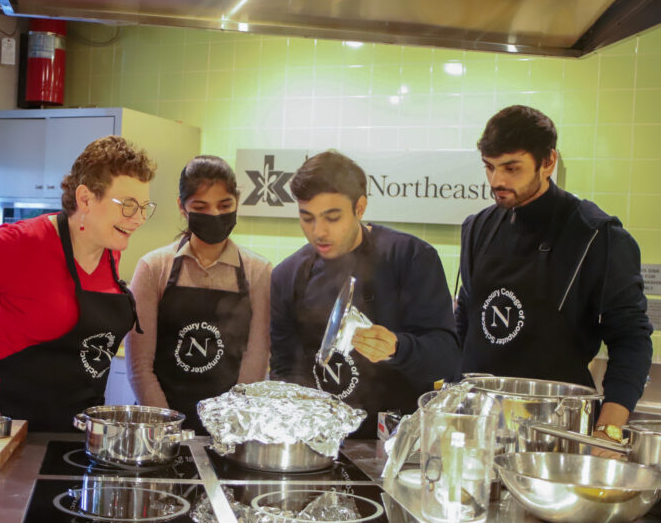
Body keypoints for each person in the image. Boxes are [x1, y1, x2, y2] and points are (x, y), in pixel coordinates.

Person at [0, 135, 155, 431]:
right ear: (85, 198)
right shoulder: (19, 243)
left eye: (143, 207)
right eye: (127, 205)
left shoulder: (110, 252)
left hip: (70, 425)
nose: (138, 219)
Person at [455, 105, 653, 447]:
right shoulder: (478, 228)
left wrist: (608, 432)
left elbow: (631, 340)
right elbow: (464, 323)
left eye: (511, 168)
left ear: (548, 162)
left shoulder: (597, 236)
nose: (497, 181)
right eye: (489, 167)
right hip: (475, 427)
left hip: (557, 433)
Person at [270, 150, 461, 439]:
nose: (318, 231)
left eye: (332, 218)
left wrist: (398, 348)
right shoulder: (288, 275)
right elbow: (284, 367)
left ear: (360, 208)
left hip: (392, 442)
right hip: (317, 440)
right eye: (306, 217)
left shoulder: (410, 258)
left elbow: (446, 356)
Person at [126, 155, 271, 433]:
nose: (215, 215)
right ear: (182, 207)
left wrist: (228, 426)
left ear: (237, 201)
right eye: (201, 207)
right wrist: (167, 426)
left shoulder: (258, 271)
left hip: (229, 427)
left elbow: (256, 360)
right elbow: (139, 365)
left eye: (225, 205)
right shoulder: (153, 267)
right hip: (159, 425)